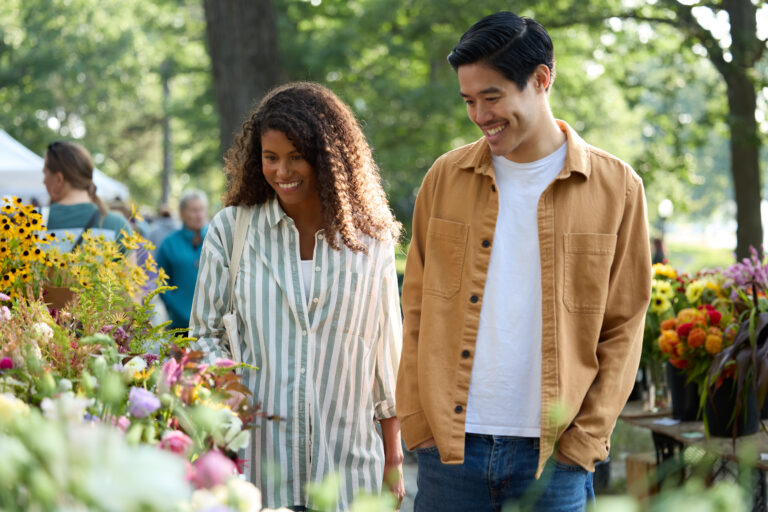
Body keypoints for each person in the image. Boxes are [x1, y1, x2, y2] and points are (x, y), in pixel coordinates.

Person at [396, 12, 652, 512]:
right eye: (469, 101)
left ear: (541, 79)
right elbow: (417, 310)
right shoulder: (443, 180)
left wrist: (584, 444)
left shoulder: (617, 188)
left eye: (491, 97)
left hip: (553, 460)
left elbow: (624, 327)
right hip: (449, 454)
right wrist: (416, 423)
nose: (479, 114)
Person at [190, 82, 405, 511]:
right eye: (270, 158)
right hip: (255, 468)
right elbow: (204, 334)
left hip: (348, 468)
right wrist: (228, 385)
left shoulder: (372, 241)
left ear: (329, 159)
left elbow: (387, 356)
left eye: (296, 157)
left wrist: (394, 458)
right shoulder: (231, 232)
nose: (282, 171)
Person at [42, 141, 131, 253]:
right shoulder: (119, 225)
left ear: (59, 179)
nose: (43, 181)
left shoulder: (32, 221)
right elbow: (129, 270)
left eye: (45, 174)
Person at [155, 190, 209, 332]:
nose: (199, 215)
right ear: (182, 213)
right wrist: (176, 308)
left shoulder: (216, 239)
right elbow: (161, 282)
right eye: (194, 210)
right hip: (180, 323)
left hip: (213, 323)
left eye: (202, 210)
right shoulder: (169, 244)